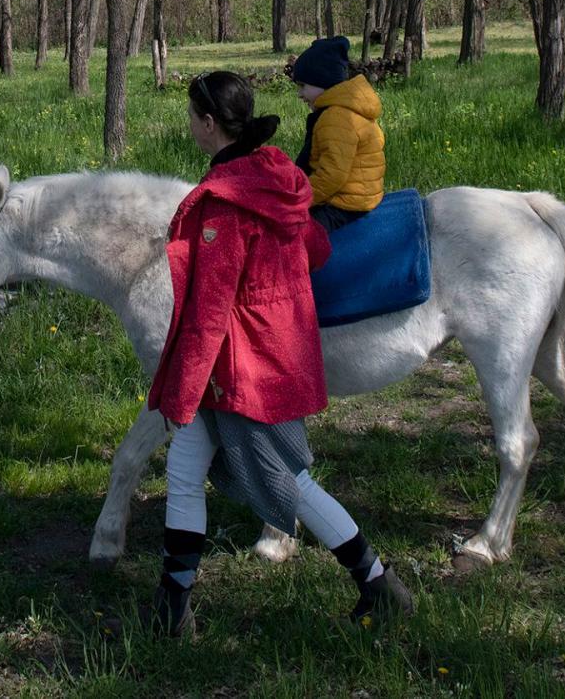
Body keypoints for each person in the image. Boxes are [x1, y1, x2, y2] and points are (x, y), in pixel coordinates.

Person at [143, 71, 414, 636]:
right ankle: (173, 607)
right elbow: (315, 246)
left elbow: (209, 312)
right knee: (185, 471)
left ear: (209, 124)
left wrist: (181, 391)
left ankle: (377, 582)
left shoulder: (223, 202)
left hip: (244, 369)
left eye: (193, 116)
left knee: (291, 483)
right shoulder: (279, 178)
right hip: (271, 352)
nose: (190, 125)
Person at [290, 36, 386, 234]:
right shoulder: (347, 109)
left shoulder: (336, 118)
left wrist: (299, 200)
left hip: (345, 203)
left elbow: (332, 175)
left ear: (322, 82)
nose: (300, 94)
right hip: (357, 194)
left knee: (299, 237)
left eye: (303, 86)